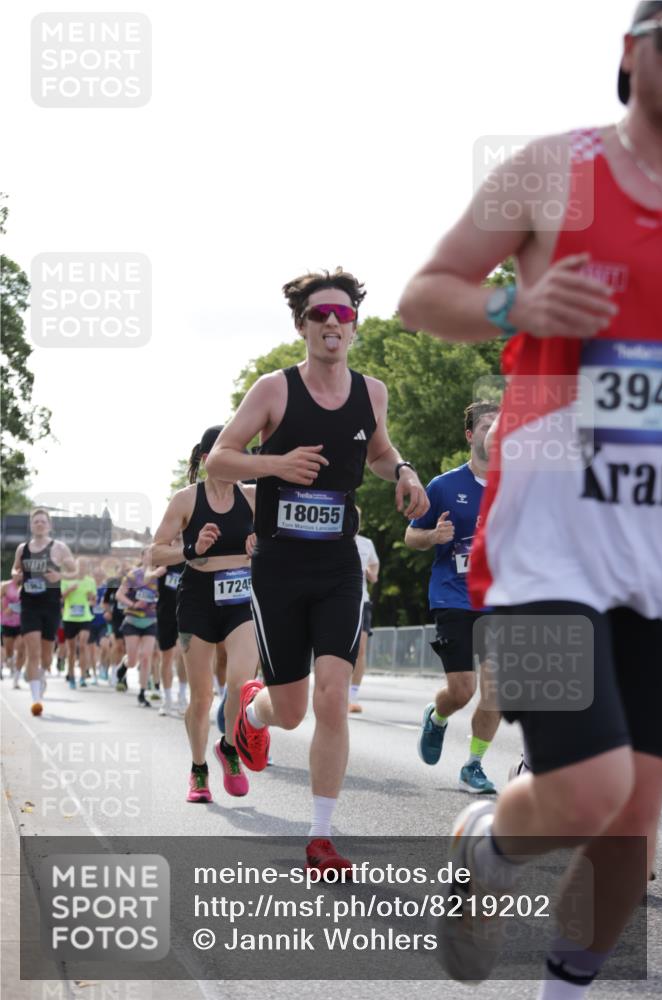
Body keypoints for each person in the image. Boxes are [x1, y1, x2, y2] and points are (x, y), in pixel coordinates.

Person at [398, 2, 662, 989]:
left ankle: (564, 986)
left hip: (657, 553)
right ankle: (481, 846)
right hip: (547, 545)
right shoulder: (560, 170)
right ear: (631, 54)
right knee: (588, 788)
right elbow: (424, 293)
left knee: (634, 813)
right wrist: (518, 302)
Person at [206, 268, 429, 873]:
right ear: (301, 325)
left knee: (332, 700)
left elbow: (379, 453)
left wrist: (404, 470)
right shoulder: (274, 390)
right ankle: (251, 714)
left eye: (342, 314)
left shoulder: (370, 392)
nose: (332, 324)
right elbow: (219, 461)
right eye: (319, 315)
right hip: (279, 567)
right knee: (293, 710)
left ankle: (322, 837)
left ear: (353, 323)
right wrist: (277, 463)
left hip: (337, 564)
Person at [151, 426, 259, 802]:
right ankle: (198, 770)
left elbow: (285, 544)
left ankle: (229, 747)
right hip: (197, 598)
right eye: (228, 452)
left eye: (240, 453)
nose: (235, 461)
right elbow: (155, 554)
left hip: (241, 597)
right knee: (201, 698)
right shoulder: (185, 500)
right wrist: (192, 548)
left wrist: (262, 548)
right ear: (206, 458)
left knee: (243, 683)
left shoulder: (253, 498)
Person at [405, 401, 500, 793]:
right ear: (470, 435)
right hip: (453, 598)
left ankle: (473, 765)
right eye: (486, 427)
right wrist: (433, 537)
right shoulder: (444, 486)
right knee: (463, 690)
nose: (493, 434)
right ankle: (438, 716)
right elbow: (412, 536)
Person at [11, 508, 76, 713]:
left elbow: (74, 571)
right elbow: (15, 568)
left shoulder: (59, 548)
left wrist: (60, 577)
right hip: (29, 604)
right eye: (36, 521)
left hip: (50, 605)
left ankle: (42, 674)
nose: (39, 524)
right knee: (33, 650)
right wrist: (16, 575)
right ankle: (36, 698)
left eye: (43, 521)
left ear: (49, 525)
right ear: (31, 525)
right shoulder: (23, 549)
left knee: (47, 656)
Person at [115, 550, 160, 707]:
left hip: (150, 621)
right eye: (148, 554)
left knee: (146, 657)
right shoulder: (134, 575)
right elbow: (119, 595)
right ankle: (124, 665)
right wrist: (133, 604)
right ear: (142, 557)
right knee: (133, 661)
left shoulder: (159, 574)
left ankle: (142, 693)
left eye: (153, 553)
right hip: (133, 620)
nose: (151, 556)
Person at [349, 509, 380, 713]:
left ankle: (352, 697)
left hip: (362, 601)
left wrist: (369, 573)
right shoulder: (332, 540)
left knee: (360, 649)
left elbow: (375, 573)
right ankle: (333, 692)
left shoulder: (366, 544)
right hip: (337, 601)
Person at [153, 555, 185, 717]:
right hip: (165, 614)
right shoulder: (163, 556)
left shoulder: (192, 554)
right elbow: (142, 577)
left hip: (186, 612)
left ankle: (182, 696)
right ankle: (166, 699)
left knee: (183, 655)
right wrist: (156, 572)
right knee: (166, 657)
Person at [61, 558, 97, 689]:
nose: (82, 568)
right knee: (71, 650)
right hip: (69, 617)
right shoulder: (66, 579)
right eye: (79, 565)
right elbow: (61, 597)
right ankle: (71, 676)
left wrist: (91, 597)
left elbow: (93, 599)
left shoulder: (90, 581)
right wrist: (69, 590)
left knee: (82, 646)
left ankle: (82, 676)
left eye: (84, 566)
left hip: (85, 617)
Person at [1, 578, 23, 683]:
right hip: (7, 622)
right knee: (8, 649)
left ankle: (16, 671)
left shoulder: (27, 585)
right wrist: (4, 609)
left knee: (20, 647)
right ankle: (10, 659)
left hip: (21, 622)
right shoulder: (5, 586)